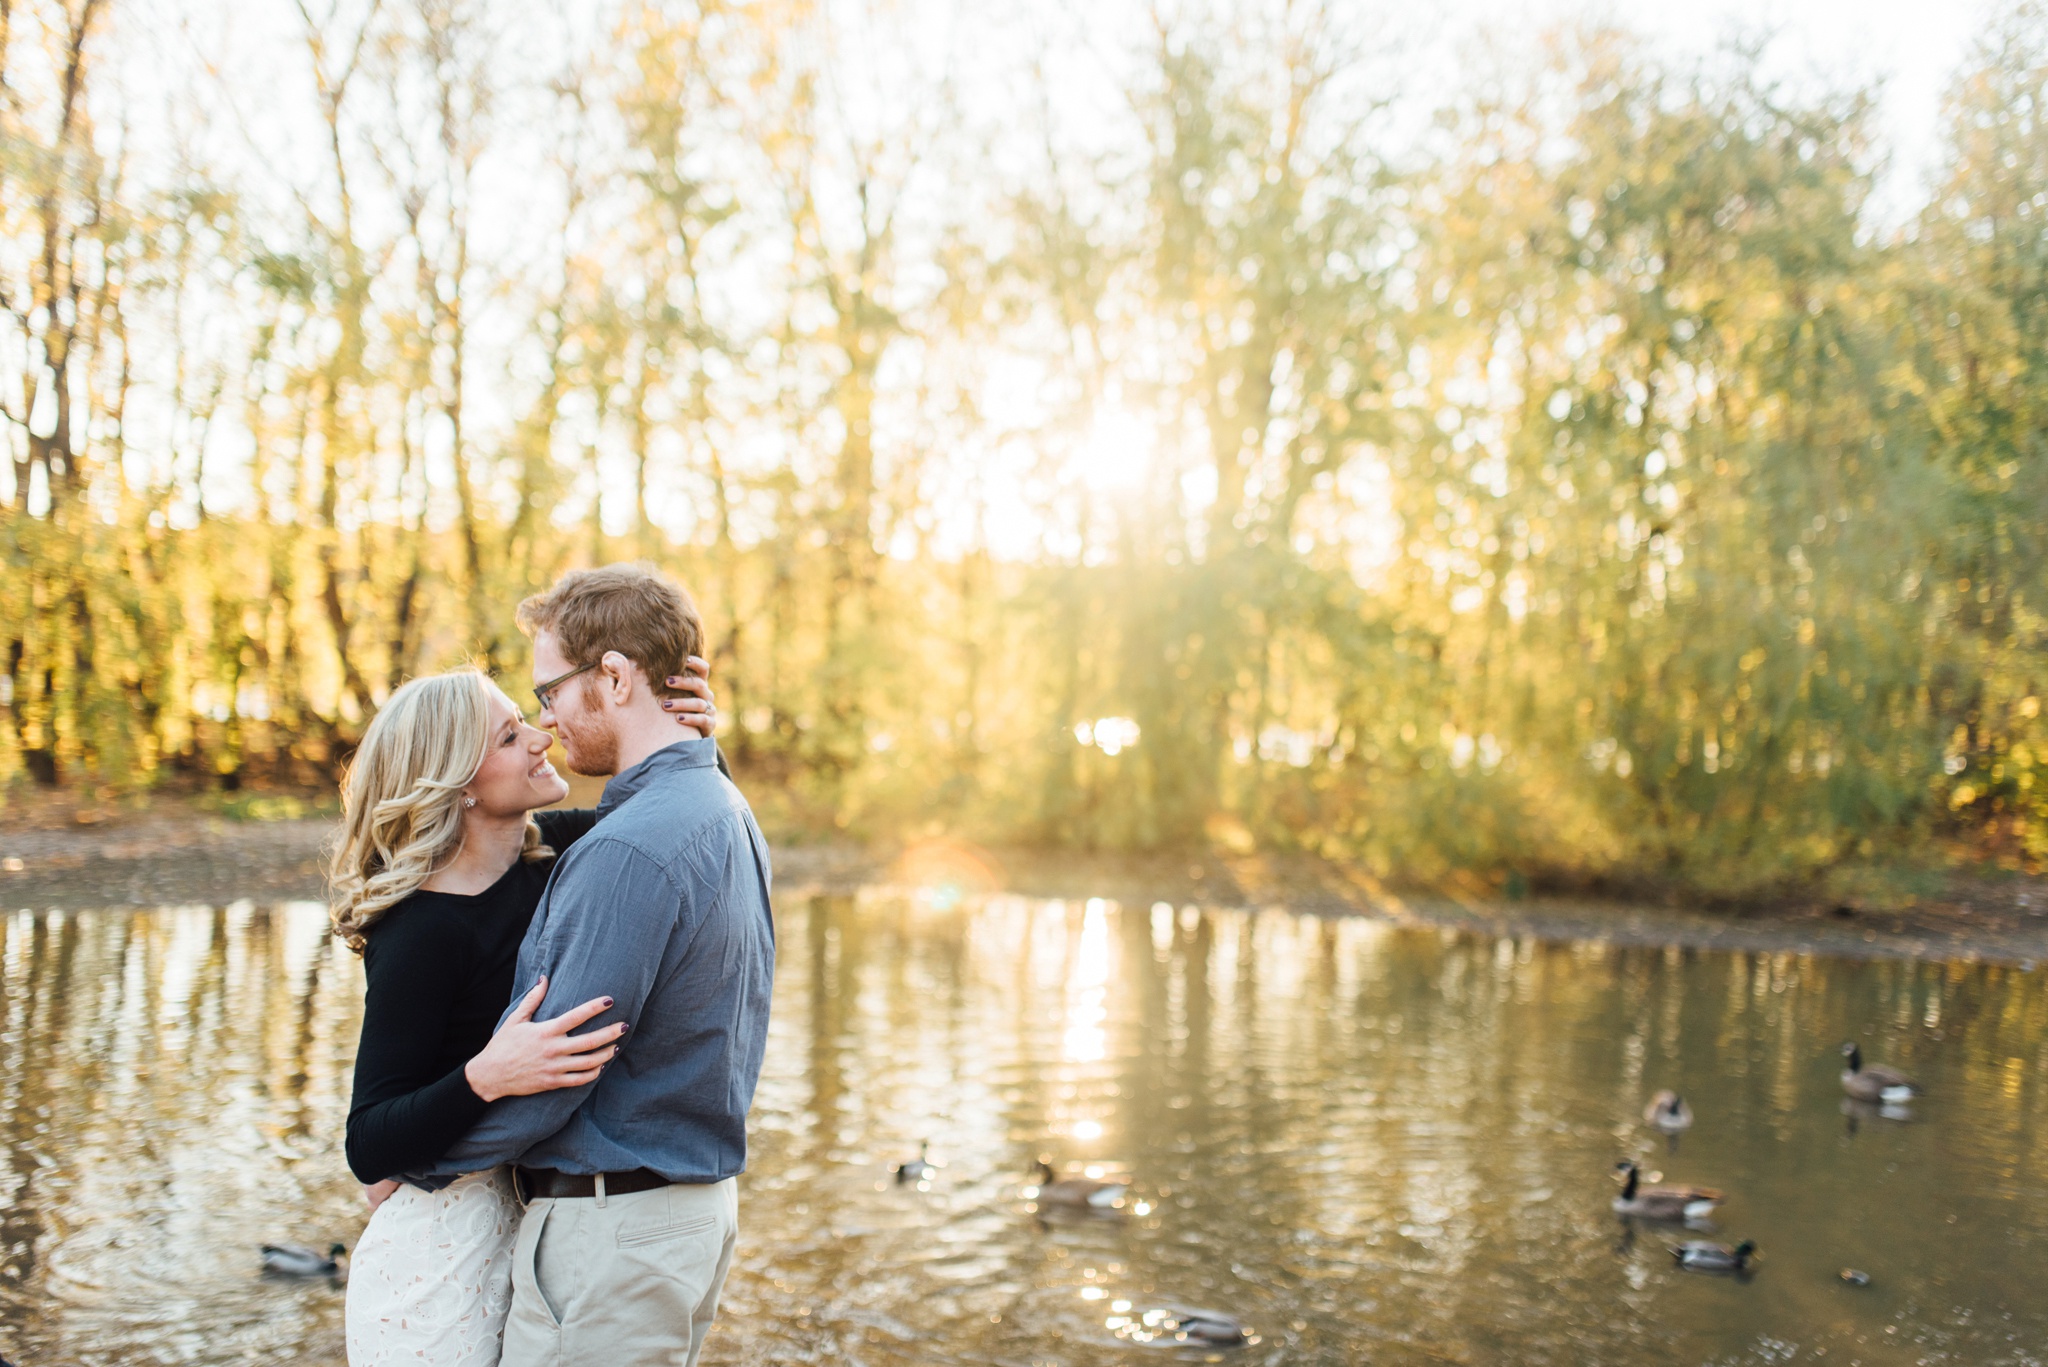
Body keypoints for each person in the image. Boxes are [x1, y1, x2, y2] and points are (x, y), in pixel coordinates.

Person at [412, 564, 776, 1367]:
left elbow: (556, 1074)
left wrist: (420, 1163)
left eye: (549, 693)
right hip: (681, 1221)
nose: (545, 722)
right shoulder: (723, 807)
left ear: (612, 676)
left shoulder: (628, 850)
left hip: (613, 1237)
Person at [332, 660, 719, 1367]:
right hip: (434, 1265)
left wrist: (691, 731)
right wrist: (486, 1075)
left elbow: (673, 813)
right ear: (461, 786)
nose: (542, 735)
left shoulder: (558, 853)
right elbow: (368, 1141)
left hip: (527, 1235)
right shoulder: (420, 931)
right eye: (511, 735)